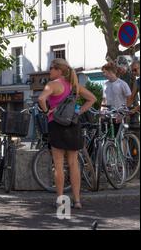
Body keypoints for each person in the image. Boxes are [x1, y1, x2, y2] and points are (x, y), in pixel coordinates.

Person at [38, 58, 96, 209]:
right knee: (73, 164)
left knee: (58, 165)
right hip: (73, 125)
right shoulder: (74, 85)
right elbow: (92, 99)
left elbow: (41, 99)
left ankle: (61, 200)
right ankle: (77, 201)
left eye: (51, 68)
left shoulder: (52, 85)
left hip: (56, 126)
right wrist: (78, 112)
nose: (49, 70)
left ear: (58, 70)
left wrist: (46, 111)